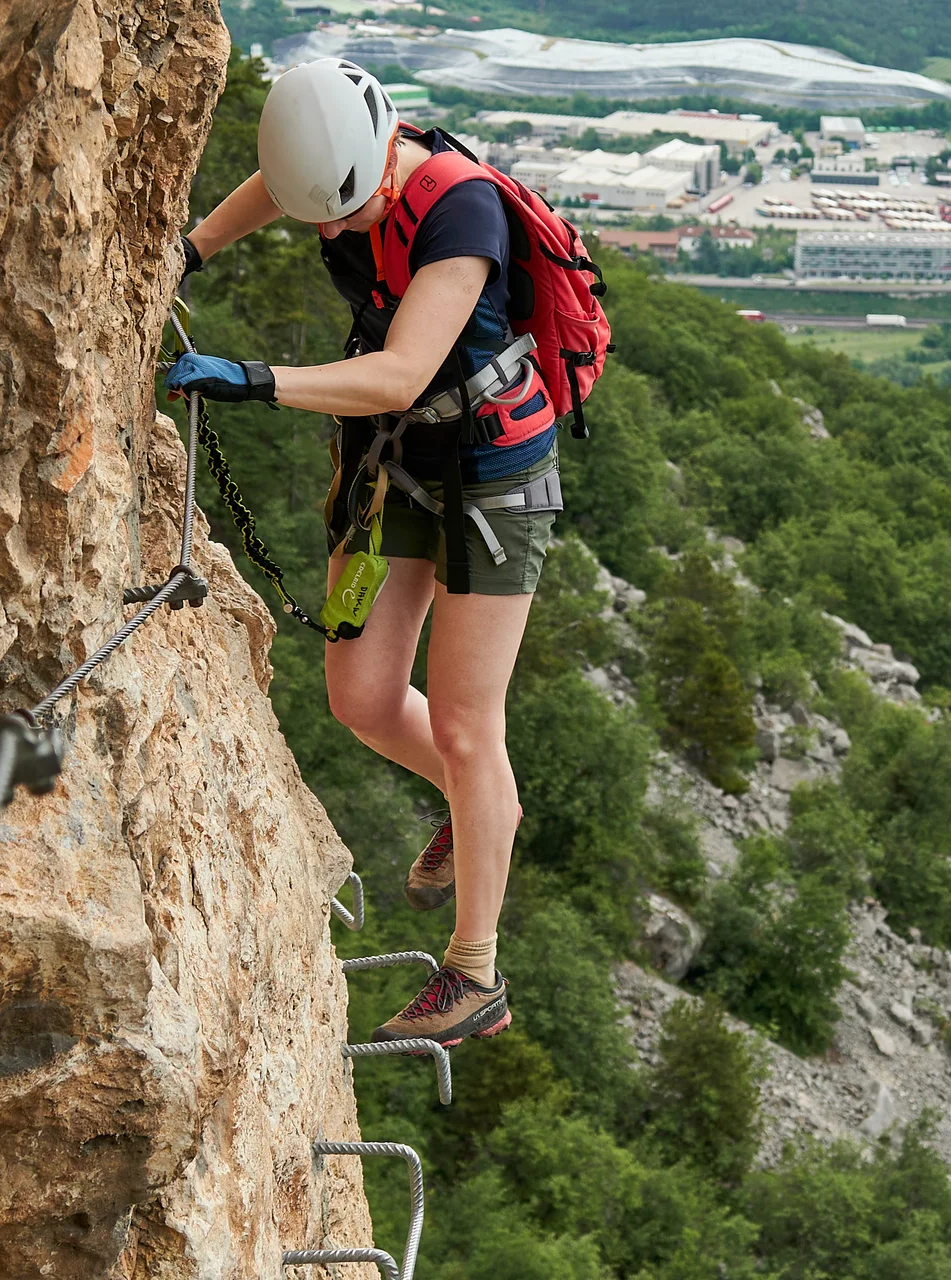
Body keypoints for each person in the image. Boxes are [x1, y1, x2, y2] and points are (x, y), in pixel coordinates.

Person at [167, 59, 560, 1048]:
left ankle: (475, 972)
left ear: (382, 157)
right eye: (320, 218)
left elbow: (396, 372)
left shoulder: (459, 214)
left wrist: (252, 379)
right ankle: (482, 811)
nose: (331, 234)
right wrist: (194, 250)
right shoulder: (336, 161)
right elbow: (290, 186)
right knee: (361, 693)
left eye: (342, 215)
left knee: (470, 725)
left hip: (491, 469)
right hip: (397, 462)